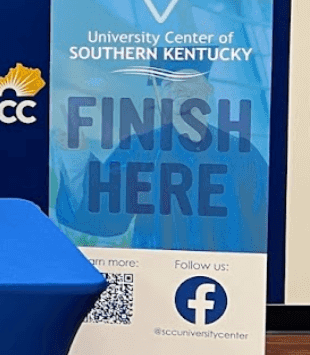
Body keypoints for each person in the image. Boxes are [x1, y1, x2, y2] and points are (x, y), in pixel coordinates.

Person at [53, 69, 267, 253]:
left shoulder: (243, 154)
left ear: (207, 89)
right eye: (167, 84)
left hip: (229, 279)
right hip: (155, 276)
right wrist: (77, 154)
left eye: (187, 81)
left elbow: (266, 223)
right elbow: (106, 214)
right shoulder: (138, 149)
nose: (177, 88)